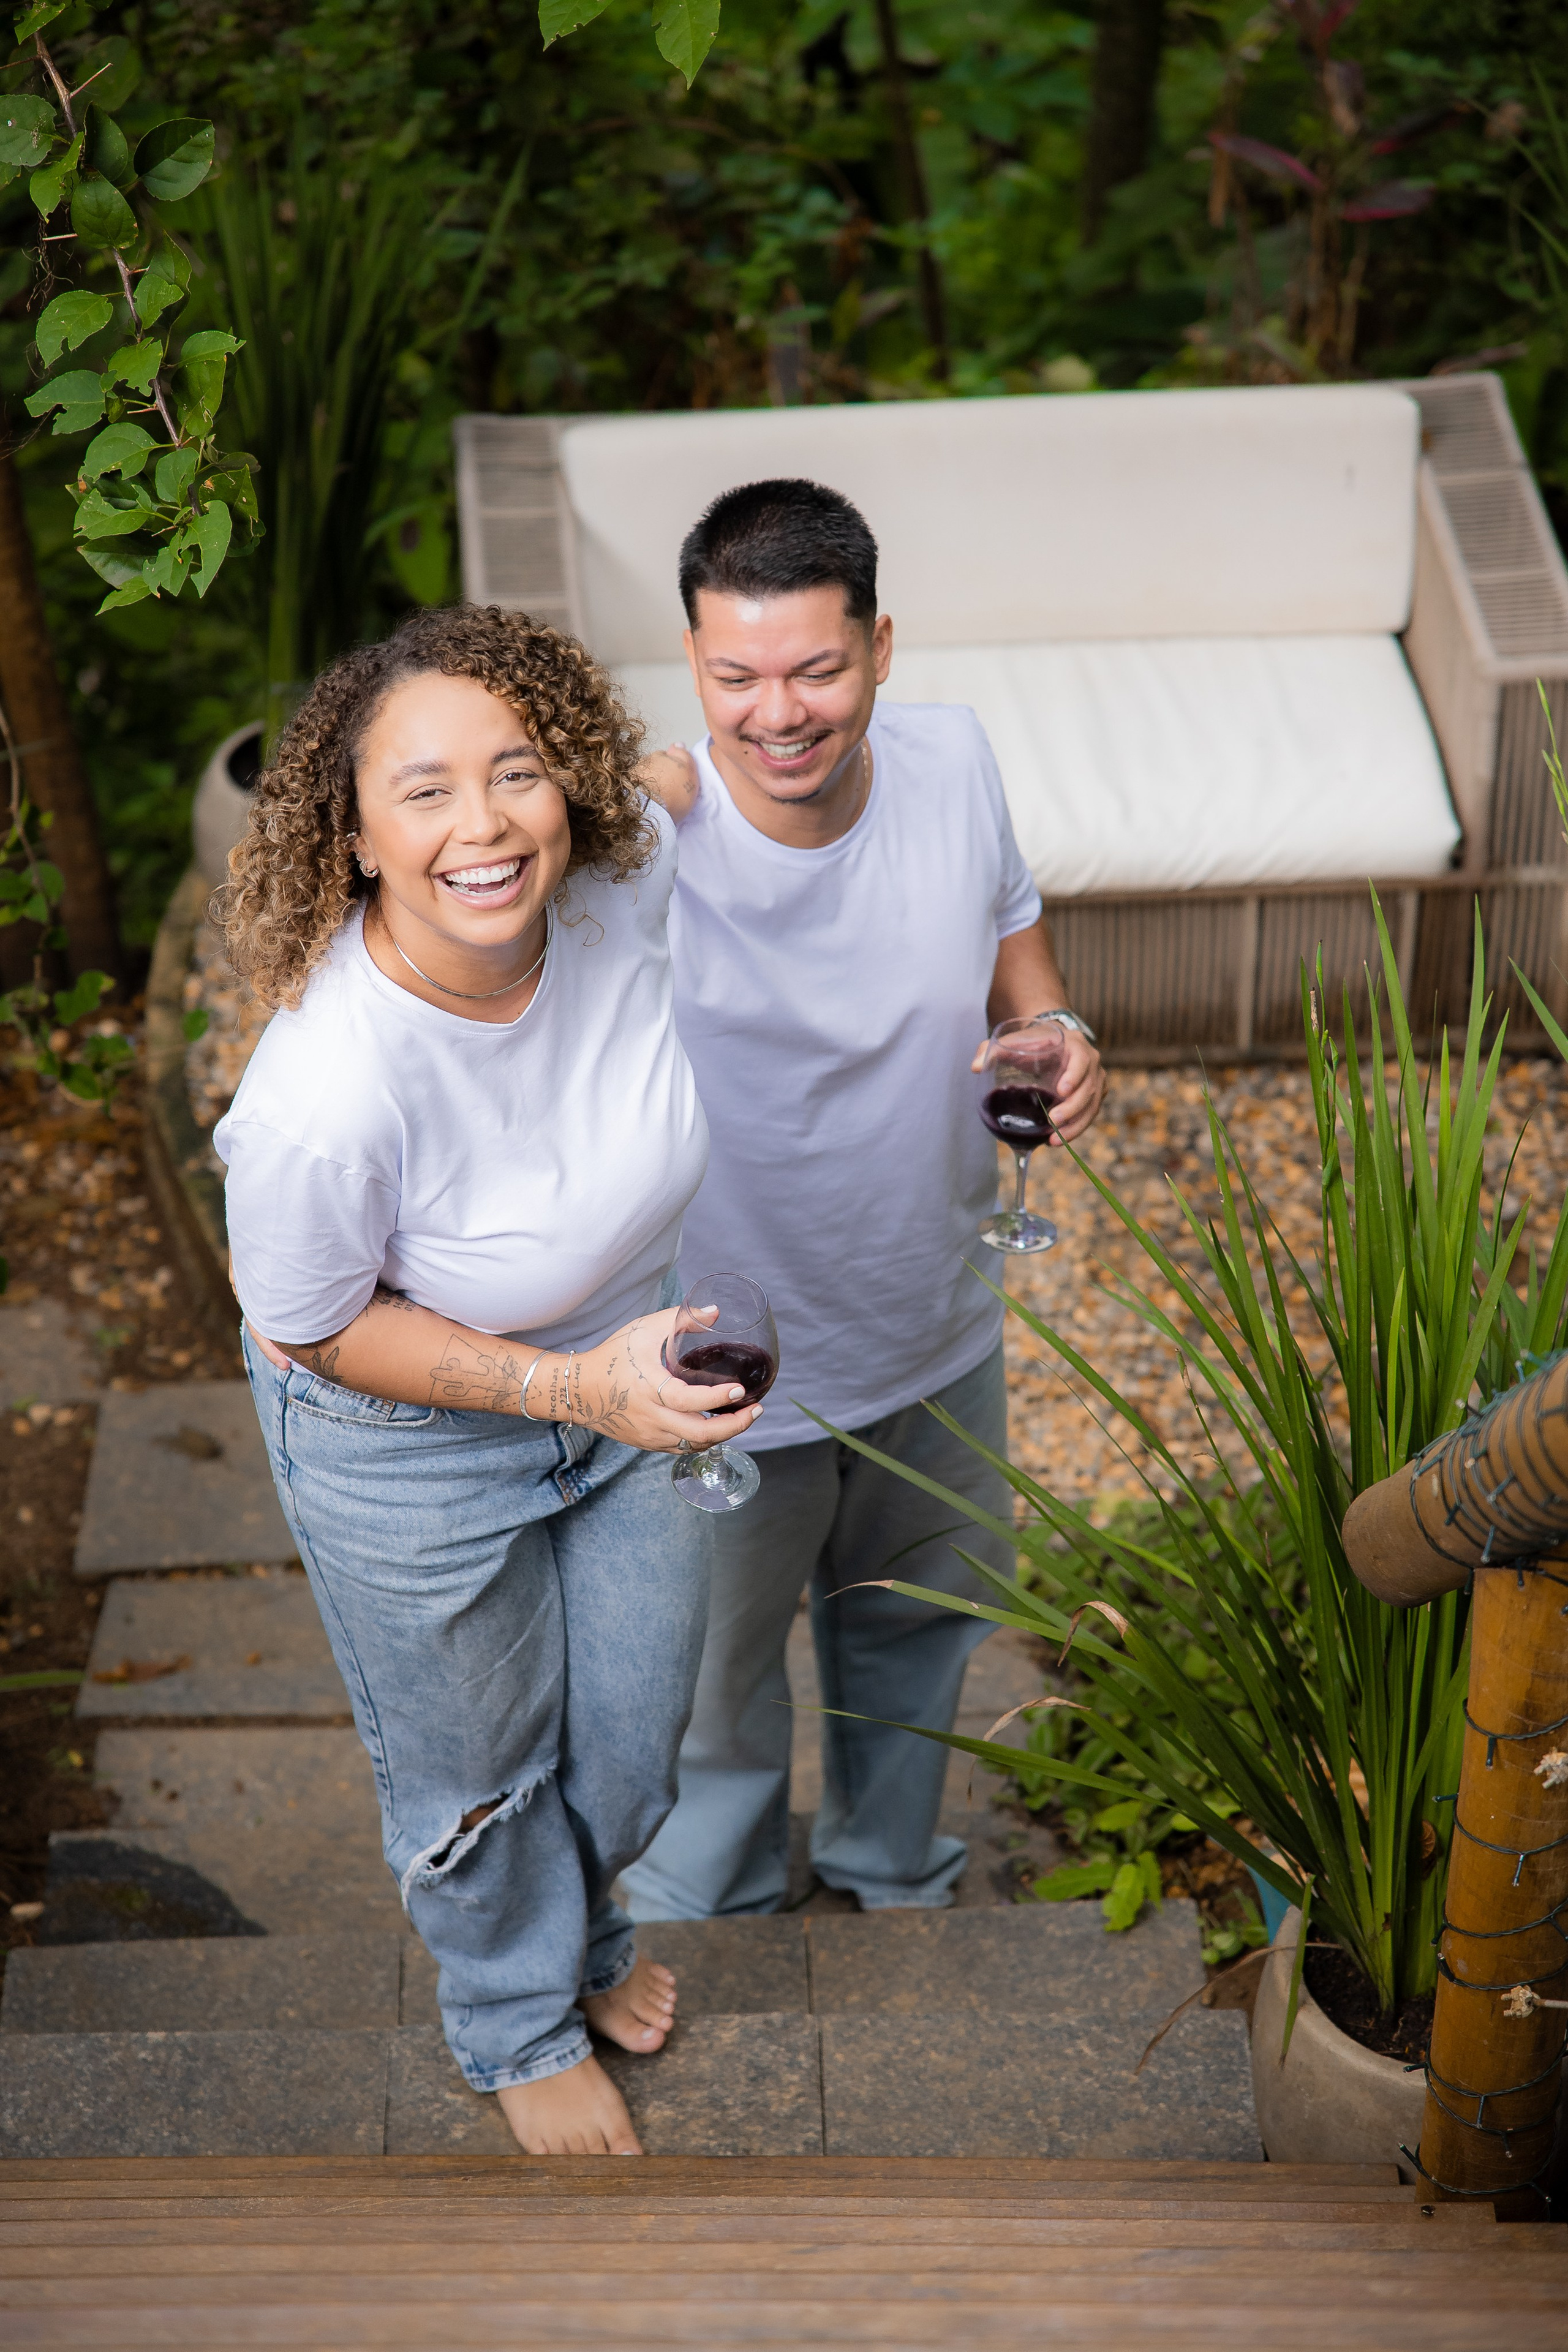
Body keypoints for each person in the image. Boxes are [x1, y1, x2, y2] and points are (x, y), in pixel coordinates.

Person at [214, 604, 763, 2155]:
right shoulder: (321, 1092)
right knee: (479, 1777)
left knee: (635, 1747)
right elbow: (311, 1325)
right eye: (427, 791)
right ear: (357, 834)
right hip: (405, 1438)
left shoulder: (615, 880)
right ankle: (515, 2021)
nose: (484, 825)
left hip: (621, 1382)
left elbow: (682, 767)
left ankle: (577, 1940)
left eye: (515, 772)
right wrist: (566, 1391)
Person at [624, 478, 1107, 1921]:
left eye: (817, 669)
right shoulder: (642, 840)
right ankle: (701, 1919)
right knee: (709, 1699)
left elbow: (1012, 934)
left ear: (879, 650)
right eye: (735, 677)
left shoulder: (951, 759)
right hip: (719, 1362)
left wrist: (1060, 1033)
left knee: (920, 1652)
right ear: (693, 665)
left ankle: (893, 1885)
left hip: (933, 1329)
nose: (777, 712)